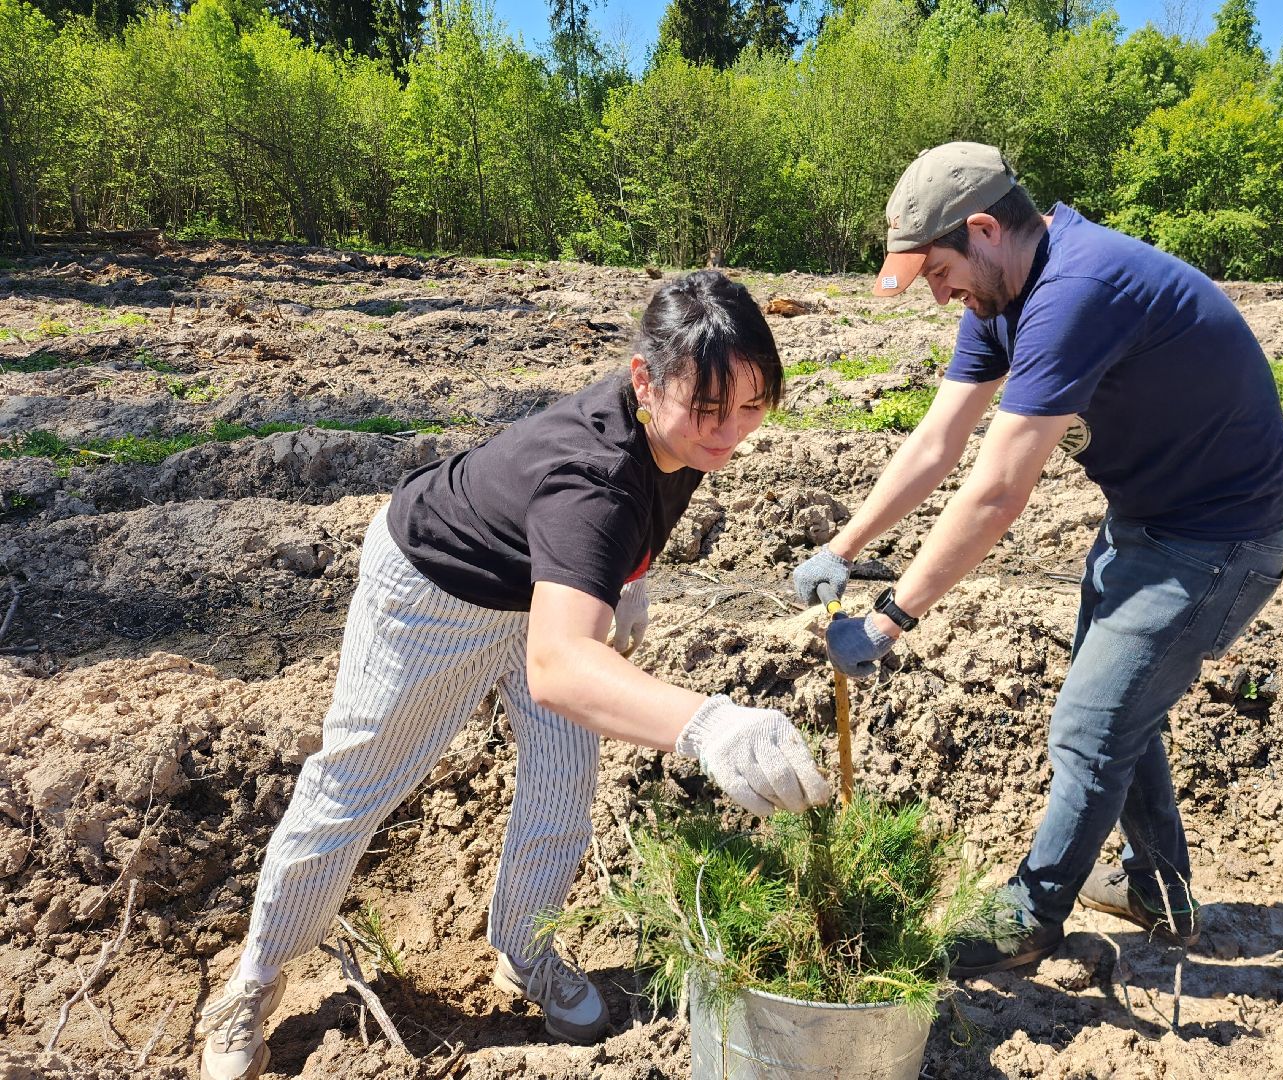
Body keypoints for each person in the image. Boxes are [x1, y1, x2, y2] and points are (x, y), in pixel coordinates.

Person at [198, 270, 831, 1080]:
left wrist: (625, 577)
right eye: (709, 410)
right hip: (433, 589)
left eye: (751, 408)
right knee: (353, 787)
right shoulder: (593, 480)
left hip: (545, 594)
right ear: (644, 379)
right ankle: (253, 978)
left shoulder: (678, 423)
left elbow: (612, 535)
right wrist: (707, 724)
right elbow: (561, 668)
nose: (729, 432)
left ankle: (525, 952)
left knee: (563, 787)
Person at [792, 142, 1283, 976]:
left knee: (1091, 725)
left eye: (937, 271)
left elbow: (995, 490)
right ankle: (1158, 892)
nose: (936, 291)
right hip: (1148, 521)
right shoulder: (998, 297)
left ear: (984, 229)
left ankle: (1029, 919)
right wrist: (842, 546)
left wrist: (889, 620)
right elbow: (938, 441)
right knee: (1117, 709)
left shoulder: (1077, 292)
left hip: (1220, 541)